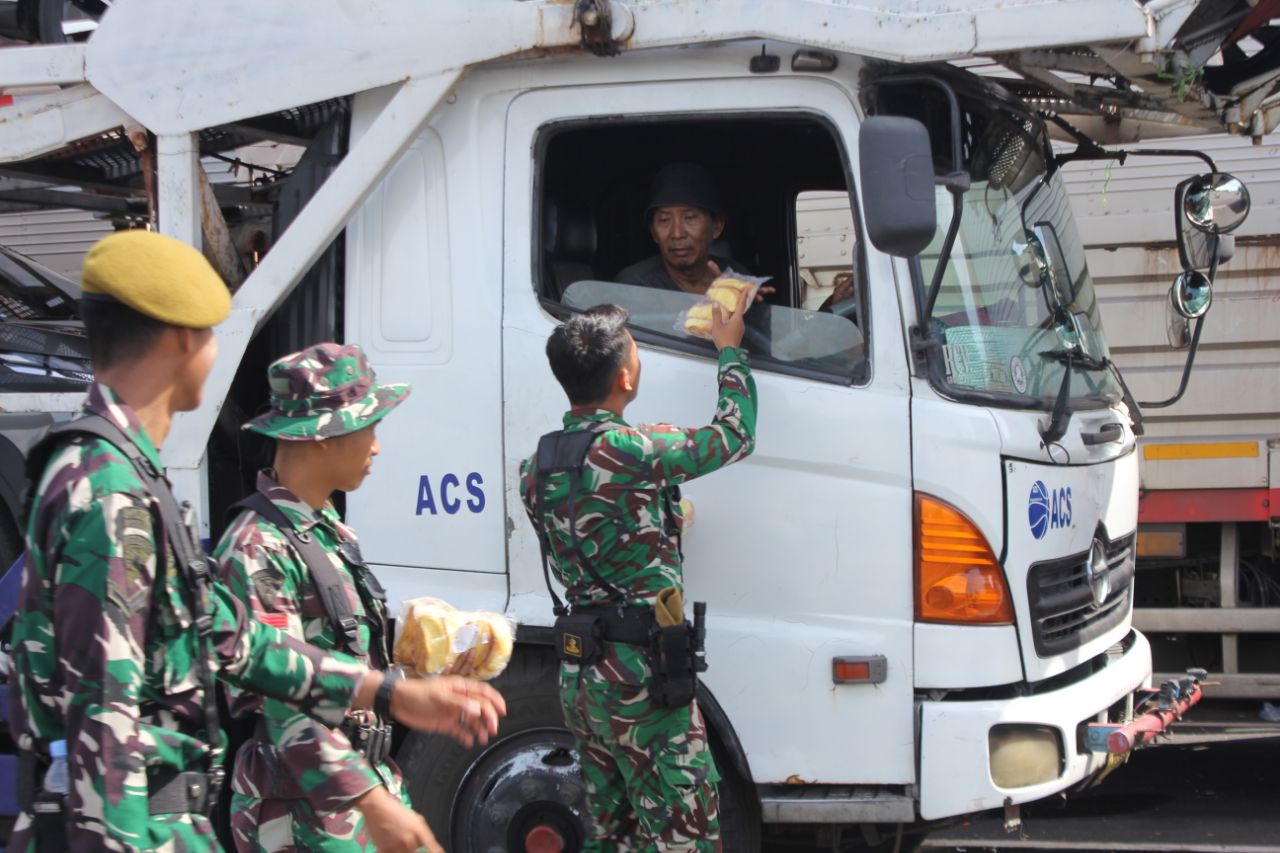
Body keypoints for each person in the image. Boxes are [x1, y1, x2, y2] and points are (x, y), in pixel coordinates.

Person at [7, 230, 505, 852]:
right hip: (132, 830)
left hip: (167, 824)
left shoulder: (128, 477)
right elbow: (104, 720)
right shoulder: (108, 492)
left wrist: (389, 693)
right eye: (211, 334)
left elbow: (236, 639)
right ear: (182, 339)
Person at [518, 295, 758, 851]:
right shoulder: (634, 449)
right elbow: (734, 435)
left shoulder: (537, 467)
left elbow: (590, 539)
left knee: (614, 836)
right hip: (642, 677)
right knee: (684, 836)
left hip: (583, 678)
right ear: (625, 377)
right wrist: (731, 352)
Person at [214, 342, 438, 852]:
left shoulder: (323, 529)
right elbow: (280, 701)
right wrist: (371, 801)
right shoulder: (257, 547)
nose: (376, 447)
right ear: (321, 438)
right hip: (303, 811)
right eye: (369, 429)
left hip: (352, 791)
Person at [616, 162, 746, 295]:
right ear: (653, 232)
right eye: (664, 220)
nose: (677, 234)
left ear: (717, 226)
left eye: (690, 217)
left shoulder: (736, 278)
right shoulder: (636, 285)